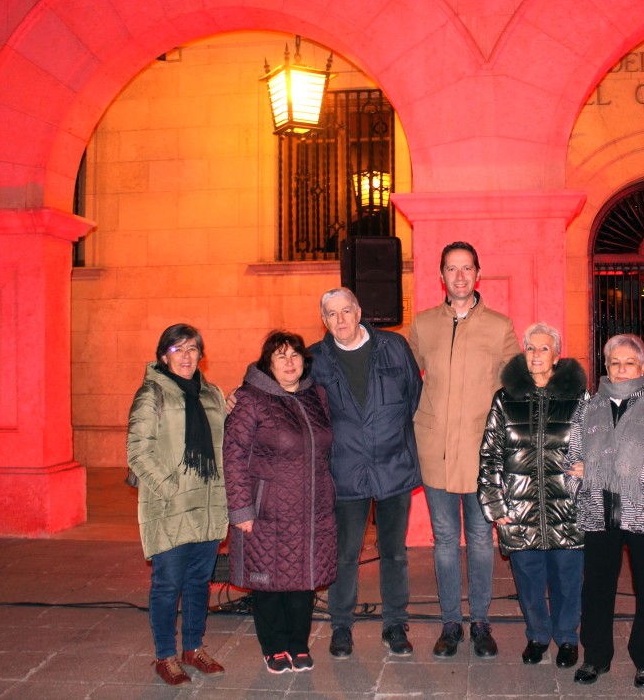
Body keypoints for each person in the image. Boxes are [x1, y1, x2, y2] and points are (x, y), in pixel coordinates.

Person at [565, 334, 644, 690]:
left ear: (643, 366)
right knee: (596, 589)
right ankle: (596, 656)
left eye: (629, 363)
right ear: (605, 367)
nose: (621, 371)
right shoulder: (589, 406)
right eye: (614, 363)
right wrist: (582, 487)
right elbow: (570, 460)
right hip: (600, 511)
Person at [408, 241, 520, 658]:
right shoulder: (422, 325)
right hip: (434, 449)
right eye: (451, 269)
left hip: (482, 455)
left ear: (478, 274)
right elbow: (404, 379)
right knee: (443, 541)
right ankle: (450, 623)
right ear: (441, 275)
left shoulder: (500, 326)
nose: (459, 276)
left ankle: (481, 624)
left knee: (479, 539)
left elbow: (517, 388)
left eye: (466, 268)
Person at [309, 287, 423, 659]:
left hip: (393, 467)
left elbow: (415, 397)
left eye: (346, 311)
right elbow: (280, 383)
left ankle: (394, 623)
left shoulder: (394, 347)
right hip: (344, 470)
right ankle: (341, 626)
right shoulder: (315, 358)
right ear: (323, 320)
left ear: (359, 312)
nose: (340, 320)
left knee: (394, 552)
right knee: (345, 554)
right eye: (331, 314)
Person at [223, 331, 337, 674]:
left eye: (295, 356)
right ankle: (273, 646)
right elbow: (233, 456)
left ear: (305, 361)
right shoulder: (249, 399)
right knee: (269, 580)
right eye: (281, 357)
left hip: (312, 508)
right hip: (267, 510)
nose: (290, 363)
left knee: (303, 578)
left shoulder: (316, 395)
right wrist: (241, 509)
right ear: (268, 364)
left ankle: (298, 644)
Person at [477, 322, 588, 668]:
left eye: (544, 348)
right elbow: (490, 454)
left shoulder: (578, 398)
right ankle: (538, 635)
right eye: (530, 348)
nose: (536, 354)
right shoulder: (505, 399)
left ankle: (567, 638)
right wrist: (495, 504)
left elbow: (598, 446)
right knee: (528, 578)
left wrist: (589, 467)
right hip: (518, 507)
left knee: (568, 579)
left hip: (568, 504)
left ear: (556, 355)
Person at [126, 323, 229, 686]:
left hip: (208, 504)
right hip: (170, 507)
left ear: (201, 356)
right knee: (168, 585)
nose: (186, 356)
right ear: (163, 356)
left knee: (200, 582)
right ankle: (165, 656)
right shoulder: (151, 394)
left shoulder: (212, 394)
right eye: (178, 349)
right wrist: (170, 489)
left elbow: (225, 443)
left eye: (192, 350)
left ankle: (193, 648)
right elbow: (137, 452)